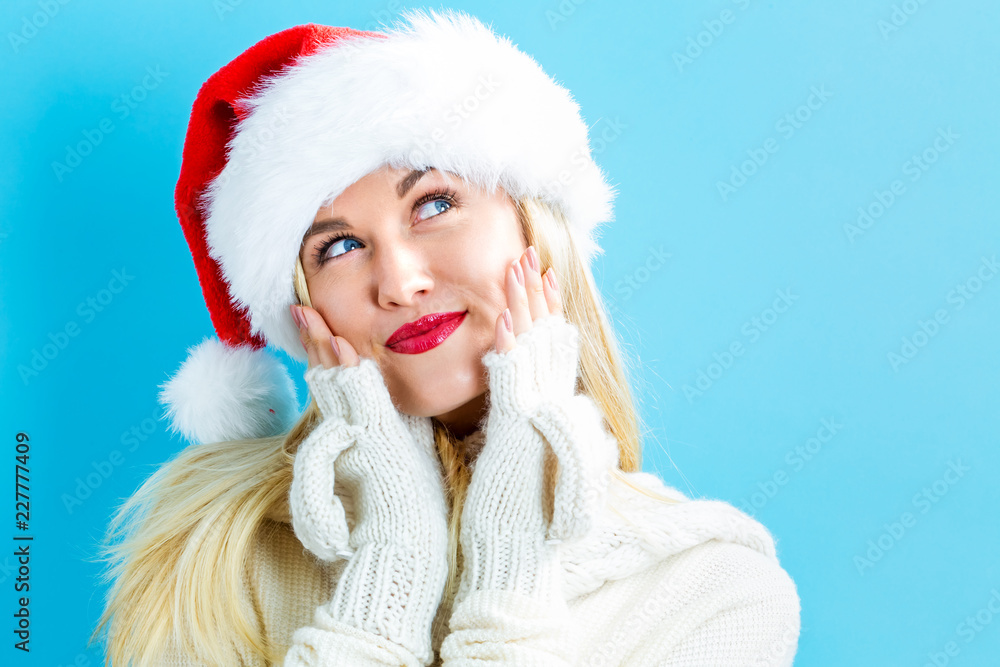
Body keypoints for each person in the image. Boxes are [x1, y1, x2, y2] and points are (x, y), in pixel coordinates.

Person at [92, 9, 801, 666]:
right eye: (336, 247)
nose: (398, 281)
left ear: (536, 229)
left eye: (434, 204)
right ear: (305, 306)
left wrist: (511, 559)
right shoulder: (217, 556)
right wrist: (391, 568)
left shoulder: (716, 587)